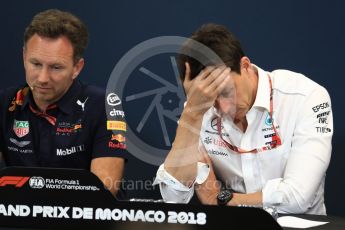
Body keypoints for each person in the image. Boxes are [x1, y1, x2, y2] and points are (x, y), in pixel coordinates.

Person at [154, 23, 333, 214]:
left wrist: (221, 200)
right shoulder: (200, 107)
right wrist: (191, 114)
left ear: (245, 66)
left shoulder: (307, 97)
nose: (223, 108)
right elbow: (173, 198)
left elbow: (298, 197)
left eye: (226, 92)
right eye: (211, 100)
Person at [0, 9, 127, 196]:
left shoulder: (105, 105)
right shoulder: (5, 102)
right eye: (35, 64)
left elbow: (104, 192)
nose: (43, 78)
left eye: (56, 67)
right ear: (23, 58)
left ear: (77, 68)